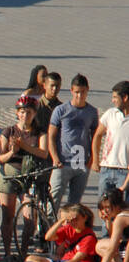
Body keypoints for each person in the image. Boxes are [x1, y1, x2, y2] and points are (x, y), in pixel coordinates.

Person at [0, 96, 48, 259]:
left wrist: (24, 146)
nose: (25, 115)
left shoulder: (40, 133)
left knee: (30, 218)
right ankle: (6, 252)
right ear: (17, 113)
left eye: (28, 112)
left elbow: (44, 152)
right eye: (21, 112)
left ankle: (24, 253)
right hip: (10, 174)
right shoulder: (9, 131)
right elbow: (0, 157)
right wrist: (13, 151)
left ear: (34, 113)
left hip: (29, 177)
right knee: (8, 216)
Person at [49, 74, 98, 206]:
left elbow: (95, 137)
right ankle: (48, 225)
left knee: (74, 204)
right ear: (71, 91)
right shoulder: (61, 110)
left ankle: (71, 226)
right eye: (76, 92)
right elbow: (51, 136)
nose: (79, 96)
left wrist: (92, 159)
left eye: (83, 92)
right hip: (62, 162)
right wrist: (55, 158)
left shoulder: (92, 112)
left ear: (87, 90)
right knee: (53, 200)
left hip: (81, 163)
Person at [92, 81, 129, 199]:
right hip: (106, 169)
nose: (112, 100)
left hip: (124, 171)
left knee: (122, 208)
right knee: (104, 207)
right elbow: (97, 135)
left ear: (125, 97)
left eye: (115, 97)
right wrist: (95, 160)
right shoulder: (110, 114)